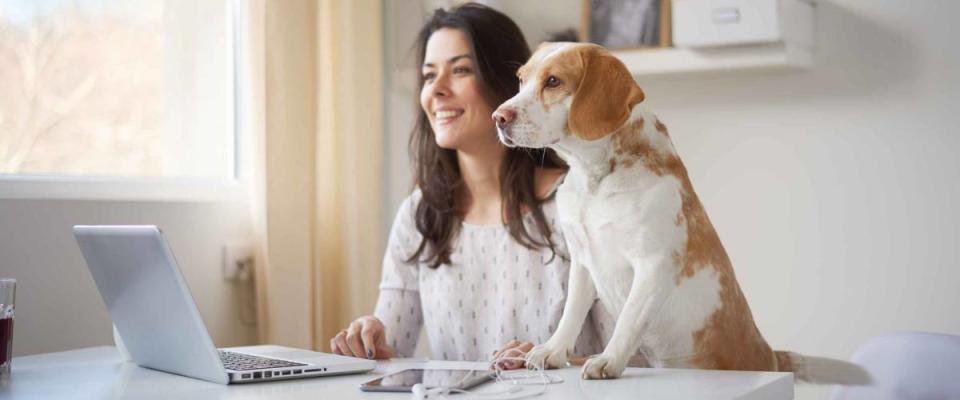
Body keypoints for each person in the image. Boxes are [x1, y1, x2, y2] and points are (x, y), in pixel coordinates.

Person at [329, 3, 615, 368]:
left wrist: (553, 359)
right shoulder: (420, 213)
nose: (437, 90)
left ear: (508, 84)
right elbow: (390, 351)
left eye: (461, 70)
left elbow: (633, 361)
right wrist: (369, 339)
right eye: (429, 75)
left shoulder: (581, 206)